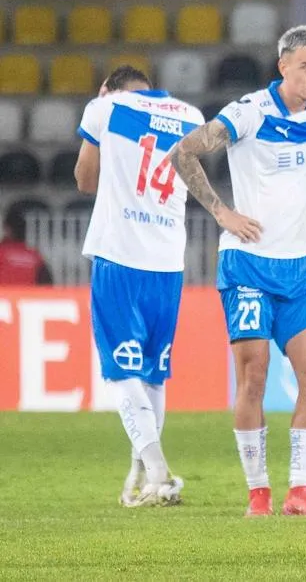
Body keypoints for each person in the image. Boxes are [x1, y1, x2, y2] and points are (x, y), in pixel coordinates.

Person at [169, 26, 306, 517]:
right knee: (254, 377)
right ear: (284, 67)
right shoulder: (249, 112)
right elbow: (183, 150)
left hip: (301, 268)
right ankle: (258, 493)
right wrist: (221, 213)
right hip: (248, 265)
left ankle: (297, 491)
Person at [74, 65, 204, 507]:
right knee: (153, 371)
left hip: (120, 255)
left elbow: (85, 180)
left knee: (119, 370)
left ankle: (159, 471)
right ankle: (146, 474)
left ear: (106, 88)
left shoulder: (105, 108)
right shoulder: (190, 113)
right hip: (168, 261)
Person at [0, 207, 52, 285]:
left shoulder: (2, 252)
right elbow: (47, 284)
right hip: (27, 296)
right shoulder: (35, 256)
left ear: (8, 229)